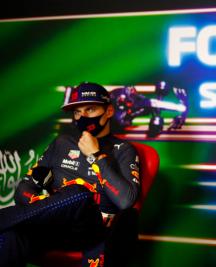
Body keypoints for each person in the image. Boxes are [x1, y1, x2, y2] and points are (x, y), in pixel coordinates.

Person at [0, 82, 141, 267]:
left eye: (90, 109)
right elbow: (23, 189)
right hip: (51, 226)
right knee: (9, 236)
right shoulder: (62, 143)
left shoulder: (123, 150)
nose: (82, 117)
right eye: (77, 112)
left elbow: (125, 200)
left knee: (79, 192)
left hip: (89, 231)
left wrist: (96, 155)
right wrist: (46, 205)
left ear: (109, 111)